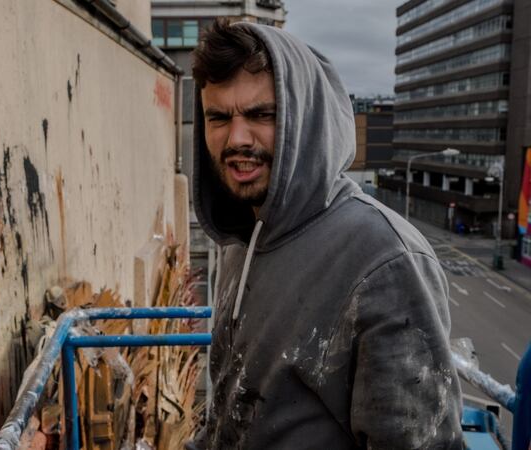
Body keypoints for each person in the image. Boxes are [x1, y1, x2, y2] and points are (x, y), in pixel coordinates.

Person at [189, 20, 462, 449]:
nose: (236, 138)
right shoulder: (244, 239)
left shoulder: (384, 259)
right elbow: (230, 415)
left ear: (304, 119)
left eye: (262, 115)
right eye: (218, 117)